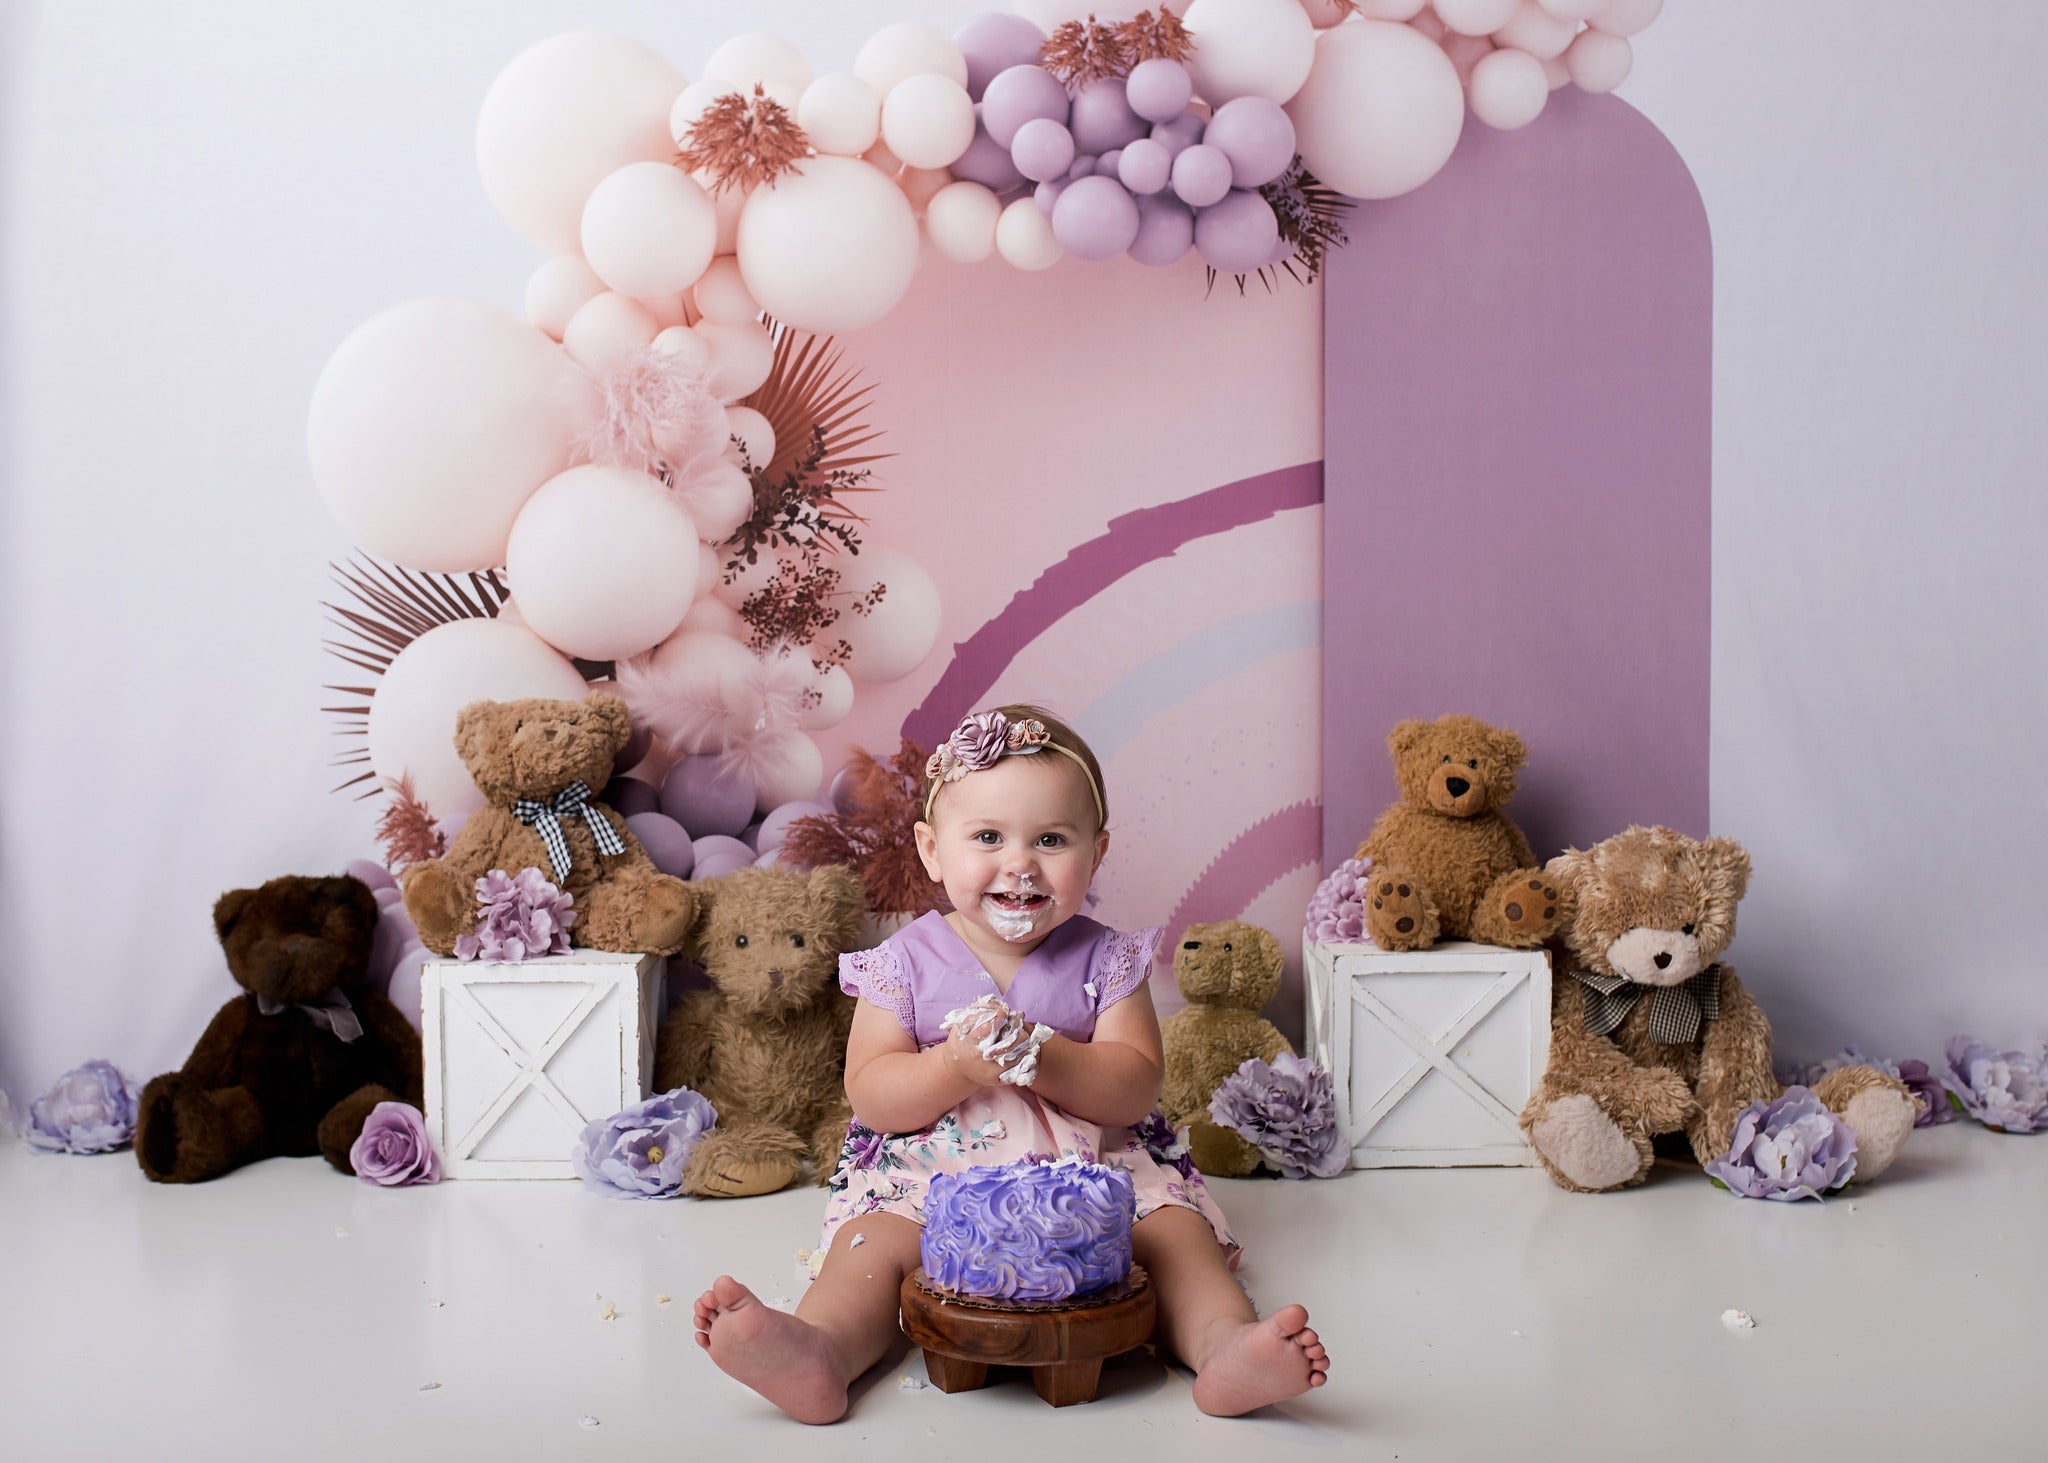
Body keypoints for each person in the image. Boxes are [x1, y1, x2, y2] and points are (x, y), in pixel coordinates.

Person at [693, 705, 1331, 1422]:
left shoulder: (1107, 958)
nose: (1021, 862)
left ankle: (1222, 1346)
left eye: (1051, 839)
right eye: (988, 836)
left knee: (1174, 1236)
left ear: (1096, 852)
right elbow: (872, 1093)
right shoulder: (901, 963)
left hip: (1096, 1170)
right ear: (933, 850)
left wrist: (1045, 1057)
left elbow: (1134, 1086)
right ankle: (822, 1349)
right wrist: (953, 1068)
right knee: (871, 1245)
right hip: (935, 1175)